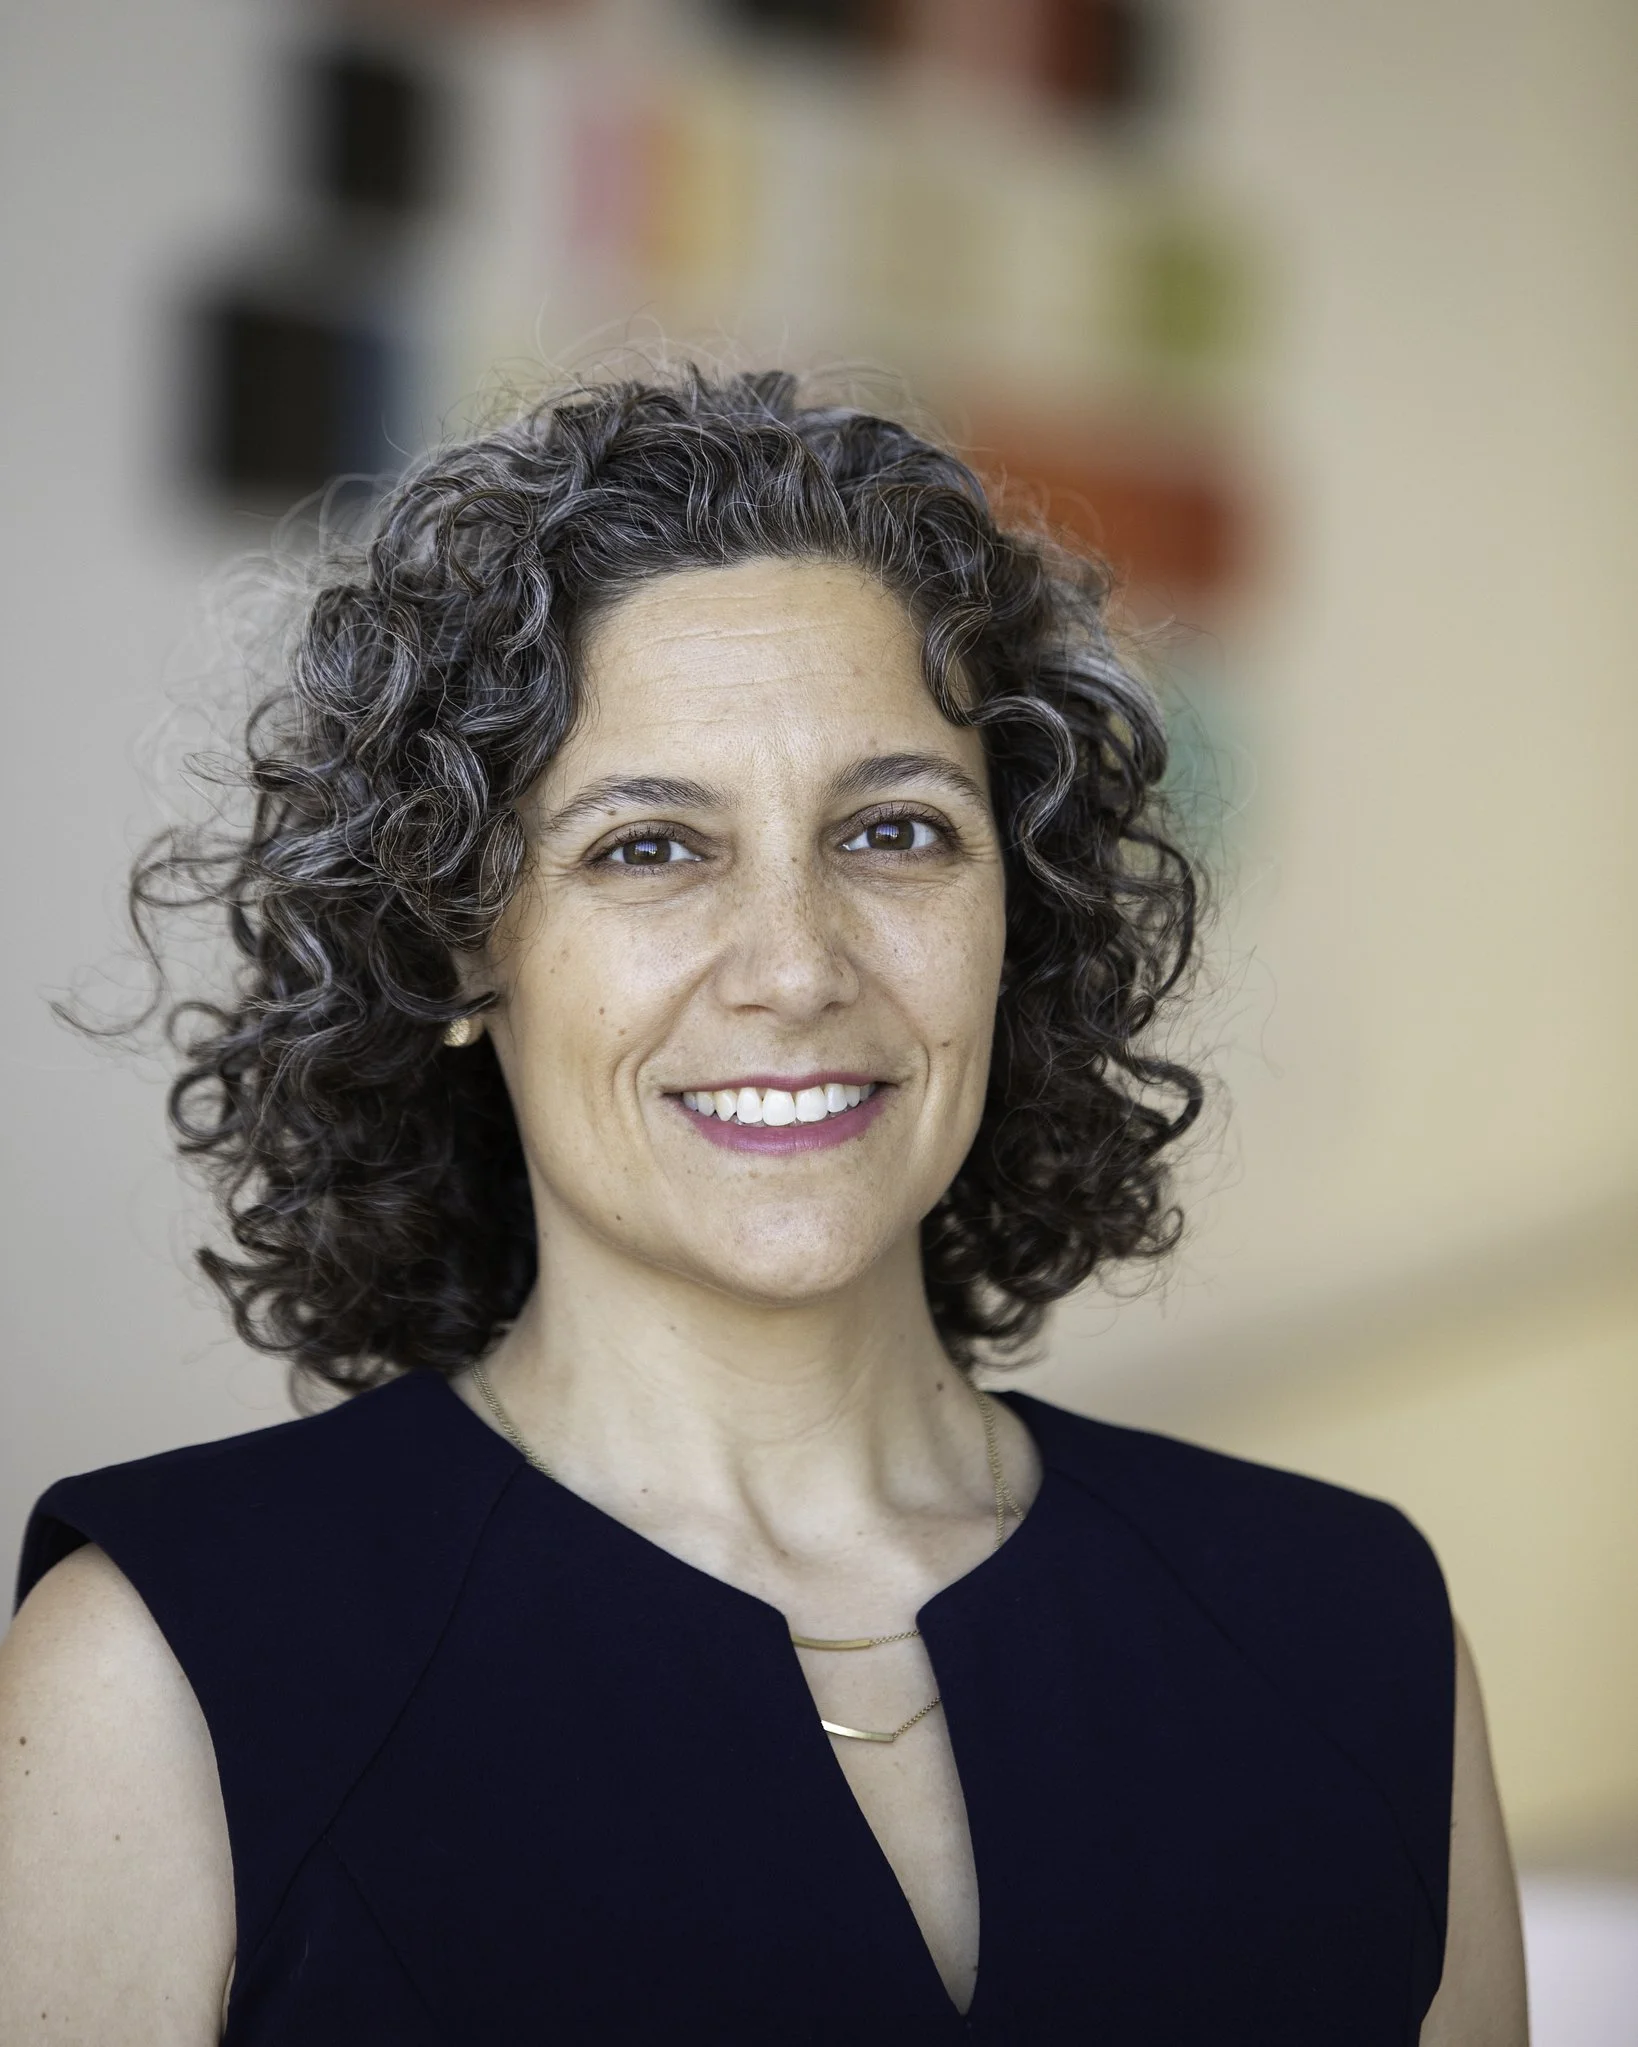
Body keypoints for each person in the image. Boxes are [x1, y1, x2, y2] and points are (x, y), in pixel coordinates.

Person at [0, 369, 1525, 2044]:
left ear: (1017, 912)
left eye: (892, 830)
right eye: (650, 848)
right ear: (453, 940)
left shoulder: (1347, 1627)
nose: (795, 967)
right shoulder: (157, 1671)